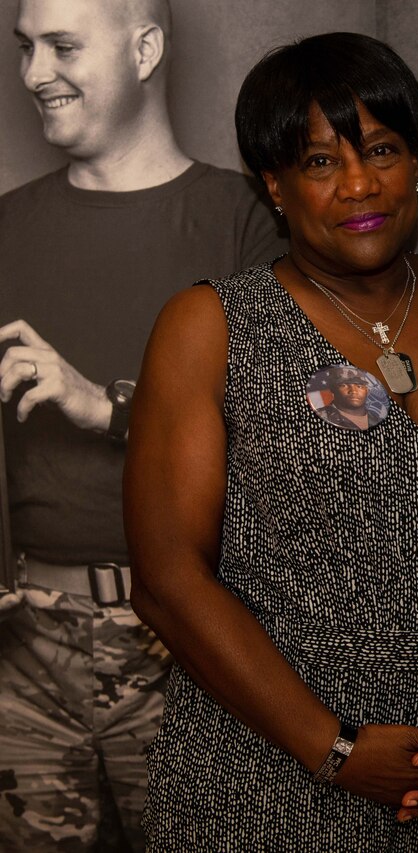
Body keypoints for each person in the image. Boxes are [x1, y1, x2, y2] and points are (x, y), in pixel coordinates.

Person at [123, 32, 418, 850]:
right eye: (320, 162)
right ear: (275, 184)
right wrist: (334, 749)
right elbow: (166, 577)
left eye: (381, 149)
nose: (360, 185)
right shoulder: (212, 326)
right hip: (264, 791)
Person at [0, 0, 283, 847]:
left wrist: (112, 406)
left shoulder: (245, 222)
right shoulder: (4, 226)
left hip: (188, 647)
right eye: (24, 49)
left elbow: (299, 432)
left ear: (147, 48)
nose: (33, 75)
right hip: (20, 656)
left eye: (61, 46)